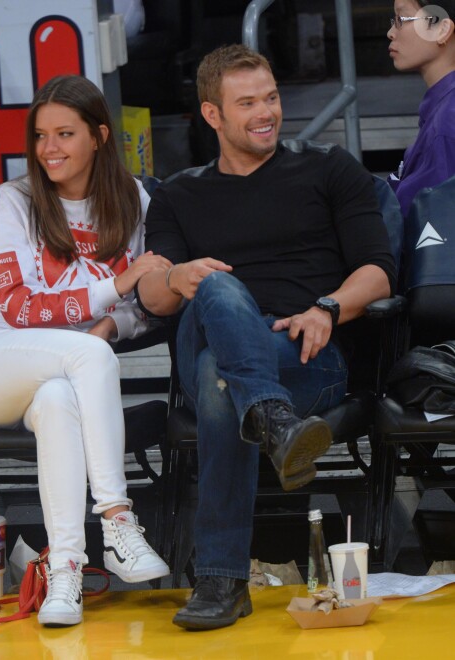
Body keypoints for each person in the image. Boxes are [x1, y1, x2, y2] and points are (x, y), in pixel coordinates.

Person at [137, 44, 396, 631]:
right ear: (212, 116)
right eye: (247, 102)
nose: (266, 112)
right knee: (218, 287)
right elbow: (153, 296)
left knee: (215, 377)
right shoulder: (178, 195)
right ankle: (276, 422)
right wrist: (176, 275)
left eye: (271, 97)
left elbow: (378, 269)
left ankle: (221, 580)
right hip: (220, 332)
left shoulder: (330, 168)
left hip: (308, 353)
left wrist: (328, 306)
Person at [0, 74, 170, 628]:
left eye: (65, 134)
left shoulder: (134, 200)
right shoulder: (12, 200)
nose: (49, 149)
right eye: (41, 136)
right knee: (88, 359)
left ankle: (66, 570)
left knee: (57, 399)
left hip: (60, 374)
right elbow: (19, 308)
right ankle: (118, 519)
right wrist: (111, 293)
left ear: (99, 135)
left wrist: (110, 326)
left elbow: (144, 304)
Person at [388, 0, 455, 217]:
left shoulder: (447, 121)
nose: (391, 32)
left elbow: (434, 227)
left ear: (442, 30)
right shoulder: (442, 108)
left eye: (401, 19)